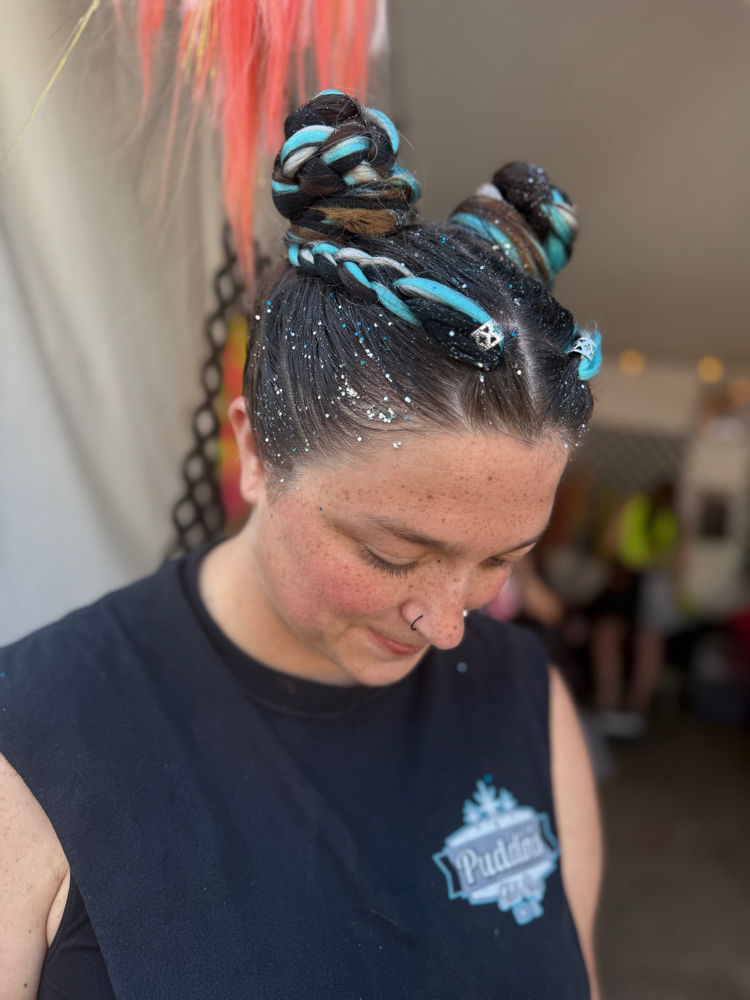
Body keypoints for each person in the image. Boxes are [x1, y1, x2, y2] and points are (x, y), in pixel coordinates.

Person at [0, 92, 603, 999]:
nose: (447, 626)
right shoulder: (32, 741)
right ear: (254, 451)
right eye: (391, 554)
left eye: (500, 561)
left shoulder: (524, 697)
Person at [590, 482, 680, 738]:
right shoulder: (673, 516)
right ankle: (636, 712)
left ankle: (607, 706)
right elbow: (677, 563)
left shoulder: (631, 505)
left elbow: (608, 545)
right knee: (649, 646)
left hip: (625, 578)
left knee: (606, 640)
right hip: (657, 582)